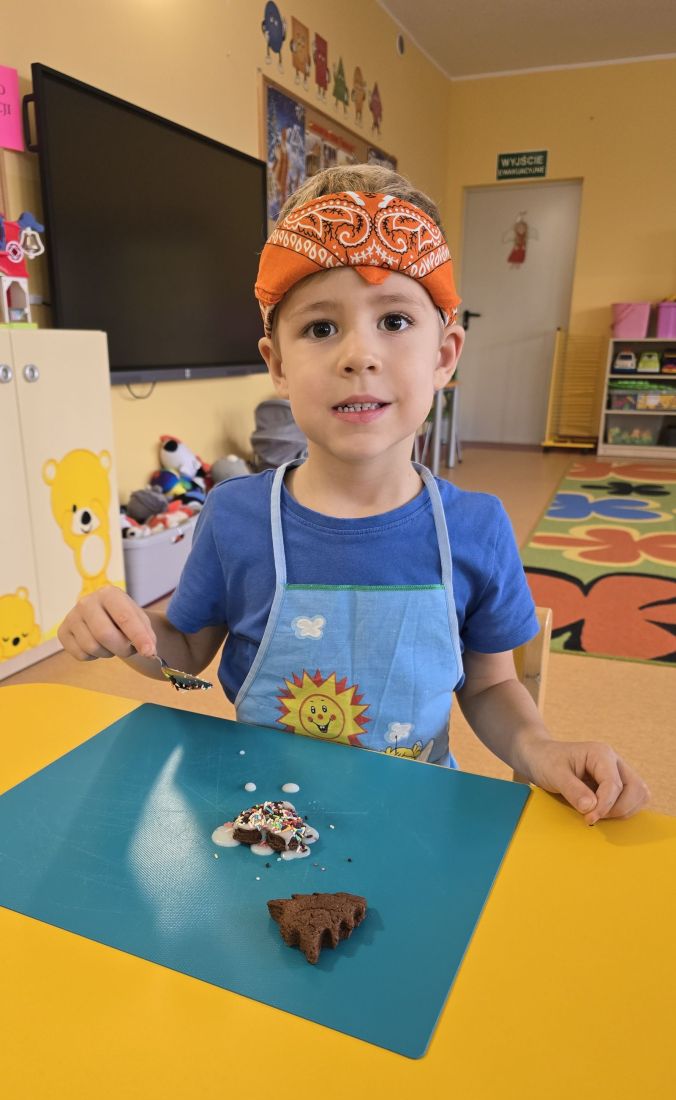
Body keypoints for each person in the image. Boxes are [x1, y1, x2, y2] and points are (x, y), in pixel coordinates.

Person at [58, 164, 649, 825]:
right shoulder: (236, 516)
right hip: (258, 818)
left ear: (444, 355)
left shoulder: (477, 529)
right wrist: (128, 632)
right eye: (320, 328)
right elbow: (186, 652)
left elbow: (490, 684)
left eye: (394, 320)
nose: (358, 355)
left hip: (414, 818)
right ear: (278, 364)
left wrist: (540, 748)